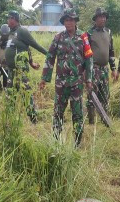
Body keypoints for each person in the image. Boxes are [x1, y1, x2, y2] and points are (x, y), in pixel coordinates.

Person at [39, 8, 93, 148]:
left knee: (77, 113)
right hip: (61, 84)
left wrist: (89, 79)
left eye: (71, 20)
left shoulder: (83, 37)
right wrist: (44, 78)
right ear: (63, 22)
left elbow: (89, 59)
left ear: (75, 21)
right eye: (66, 20)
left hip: (77, 83)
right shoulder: (58, 38)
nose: (69, 23)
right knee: (58, 113)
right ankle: (56, 141)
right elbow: (50, 57)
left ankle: (77, 143)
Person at [4, 10, 45, 123]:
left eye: (9, 18)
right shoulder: (11, 33)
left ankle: (33, 119)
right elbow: (25, 48)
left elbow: (33, 45)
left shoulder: (22, 31)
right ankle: (10, 119)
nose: (8, 20)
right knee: (10, 94)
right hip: (11, 71)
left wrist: (49, 54)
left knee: (26, 95)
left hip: (21, 71)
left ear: (14, 19)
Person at [84, 8, 116, 124]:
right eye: (100, 17)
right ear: (95, 19)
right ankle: (91, 121)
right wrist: (85, 71)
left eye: (104, 17)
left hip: (105, 69)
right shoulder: (89, 33)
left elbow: (111, 51)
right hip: (94, 69)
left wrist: (113, 69)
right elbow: (85, 53)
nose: (103, 19)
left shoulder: (108, 32)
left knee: (105, 95)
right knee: (92, 95)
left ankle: (105, 119)